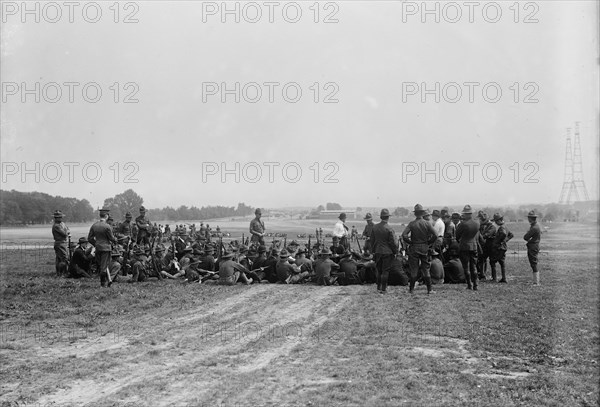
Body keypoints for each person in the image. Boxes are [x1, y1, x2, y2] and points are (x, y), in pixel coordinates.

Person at [402, 204, 437, 294]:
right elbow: (435, 235)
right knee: (426, 268)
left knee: (414, 269)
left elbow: (404, 235)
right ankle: (429, 289)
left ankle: (411, 289)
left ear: (415, 213)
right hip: (424, 247)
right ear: (422, 213)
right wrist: (429, 242)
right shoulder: (426, 223)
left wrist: (410, 243)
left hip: (414, 247)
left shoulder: (412, 224)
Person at [88, 208, 118, 287]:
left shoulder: (94, 225)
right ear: (106, 216)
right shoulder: (107, 226)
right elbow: (111, 238)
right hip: (106, 248)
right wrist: (115, 240)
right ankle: (103, 284)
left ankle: (107, 281)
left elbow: (90, 238)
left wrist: (96, 244)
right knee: (104, 267)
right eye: (108, 215)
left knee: (101, 265)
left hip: (98, 248)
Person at [372, 208, 399, 294]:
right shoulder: (389, 229)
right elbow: (393, 243)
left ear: (381, 217)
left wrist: (374, 251)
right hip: (387, 252)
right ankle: (384, 289)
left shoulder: (374, 227)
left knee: (379, 270)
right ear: (388, 217)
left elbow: (372, 241)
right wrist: (395, 252)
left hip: (377, 251)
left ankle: (378, 287)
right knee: (385, 271)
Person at [455, 205, 479, 291]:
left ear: (467, 214)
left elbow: (457, 236)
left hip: (464, 245)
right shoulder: (477, 223)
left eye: (464, 214)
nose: (463, 215)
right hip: (474, 245)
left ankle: (469, 284)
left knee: (466, 267)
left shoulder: (463, 224)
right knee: (474, 266)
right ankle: (475, 284)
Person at [489, 213, 514, 283]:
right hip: (503, 247)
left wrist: (499, 241)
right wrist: (505, 241)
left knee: (492, 261)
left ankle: (494, 278)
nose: (495, 223)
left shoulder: (501, 228)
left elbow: (503, 234)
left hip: (498, 248)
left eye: (496, 221)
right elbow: (511, 235)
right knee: (502, 263)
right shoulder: (505, 226)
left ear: (499, 220)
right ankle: (504, 278)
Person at [524, 210, 542, 285]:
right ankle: (536, 281)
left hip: (533, 246)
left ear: (531, 218)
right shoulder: (536, 225)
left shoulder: (534, 227)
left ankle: (536, 282)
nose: (528, 219)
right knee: (533, 263)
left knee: (533, 263)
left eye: (529, 217)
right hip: (534, 245)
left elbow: (525, 237)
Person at [477, 212, 496, 280]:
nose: (480, 221)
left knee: (492, 262)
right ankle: (482, 275)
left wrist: (479, 236)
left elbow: (486, 235)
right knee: (482, 260)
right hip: (484, 246)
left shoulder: (492, 226)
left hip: (490, 246)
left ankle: (494, 277)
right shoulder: (482, 226)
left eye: (482, 220)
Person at [51, 210, 70, 277]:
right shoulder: (56, 226)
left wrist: (67, 230)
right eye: (59, 217)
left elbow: (67, 230)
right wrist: (67, 231)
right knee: (63, 258)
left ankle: (60, 273)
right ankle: (62, 273)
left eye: (61, 217)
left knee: (60, 258)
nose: (60, 218)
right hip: (60, 243)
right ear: (56, 218)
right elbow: (65, 233)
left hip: (62, 243)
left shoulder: (61, 224)